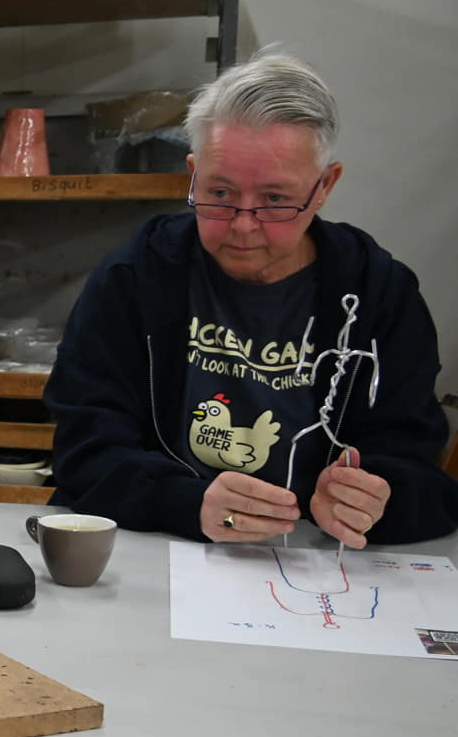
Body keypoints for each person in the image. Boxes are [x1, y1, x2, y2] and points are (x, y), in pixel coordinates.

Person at [47, 50, 457, 546]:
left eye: (276, 200)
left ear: (325, 186)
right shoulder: (133, 279)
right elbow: (83, 452)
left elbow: (417, 467)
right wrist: (188, 502)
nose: (243, 225)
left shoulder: (380, 294)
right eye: (219, 194)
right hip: (162, 546)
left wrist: (376, 499)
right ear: (194, 173)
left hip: (316, 559)